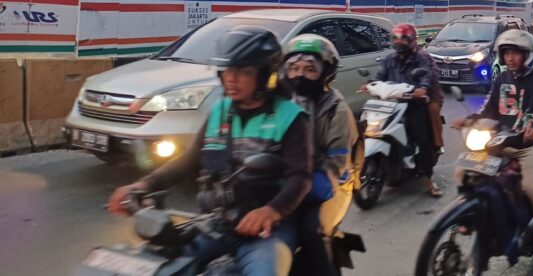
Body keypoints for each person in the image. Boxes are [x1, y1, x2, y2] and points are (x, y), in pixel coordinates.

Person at [107, 25, 313, 276]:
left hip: (267, 230)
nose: (231, 79)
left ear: (266, 75)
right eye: (226, 71)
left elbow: (300, 178)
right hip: (215, 224)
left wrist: (271, 211)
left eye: (243, 71)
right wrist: (142, 185)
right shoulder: (220, 111)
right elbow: (191, 159)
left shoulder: (291, 117)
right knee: (161, 268)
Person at [451, 29, 533, 247]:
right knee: (463, 170)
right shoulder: (502, 78)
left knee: (531, 187)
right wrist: (469, 120)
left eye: (516, 53)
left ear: (528, 54)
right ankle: (470, 214)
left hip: (531, 145)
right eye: (506, 53)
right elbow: (488, 109)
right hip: (500, 140)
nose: (510, 58)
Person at [281, 34, 361, 276]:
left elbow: (335, 165)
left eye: (309, 69)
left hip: (331, 184)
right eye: (293, 68)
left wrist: (293, 190)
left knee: (310, 231)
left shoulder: (336, 110)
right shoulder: (282, 102)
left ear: (325, 72)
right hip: (288, 181)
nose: (300, 75)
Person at [368, 23, 444, 197]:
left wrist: (422, 89)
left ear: (411, 40)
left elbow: (426, 75)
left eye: (403, 38)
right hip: (392, 103)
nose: (399, 42)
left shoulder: (421, 58)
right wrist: (370, 85)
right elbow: (379, 75)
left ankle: (428, 180)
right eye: (396, 38)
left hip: (414, 103)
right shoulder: (389, 59)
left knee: (421, 138)